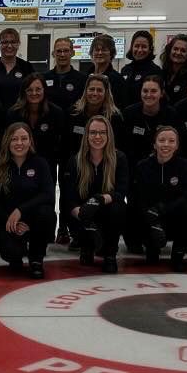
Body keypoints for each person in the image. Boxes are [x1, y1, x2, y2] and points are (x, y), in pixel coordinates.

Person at [60, 116, 129, 272]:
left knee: (119, 207)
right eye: (93, 132)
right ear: (87, 135)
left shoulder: (119, 158)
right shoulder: (75, 161)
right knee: (74, 212)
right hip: (83, 215)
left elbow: (121, 192)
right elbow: (69, 198)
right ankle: (87, 246)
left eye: (102, 132)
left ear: (109, 135)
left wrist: (99, 199)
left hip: (106, 212)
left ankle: (110, 255)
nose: (97, 137)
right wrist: (83, 215)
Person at [0, 122, 54, 278]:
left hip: (32, 220)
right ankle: (16, 254)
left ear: (30, 141)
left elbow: (48, 195)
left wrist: (21, 211)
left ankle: (36, 259)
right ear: (7, 141)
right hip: (7, 222)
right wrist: (10, 221)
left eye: (24, 138)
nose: (19, 143)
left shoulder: (40, 163)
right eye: (14, 139)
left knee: (47, 213)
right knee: (13, 254)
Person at [131, 125, 187, 271]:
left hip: (172, 215)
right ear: (154, 144)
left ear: (177, 145)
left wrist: (163, 209)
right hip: (149, 217)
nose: (166, 144)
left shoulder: (184, 166)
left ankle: (178, 256)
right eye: (162, 140)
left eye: (171, 141)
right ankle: (151, 248)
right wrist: (152, 216)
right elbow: (137, 196)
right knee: (133, 210)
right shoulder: (142, 166)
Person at [9, 72, 65, 170]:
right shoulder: (13, 113)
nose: (34, 93)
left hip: (47, 166)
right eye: (29, 90)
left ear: (44, 90)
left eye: (38, 89)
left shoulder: (56, 113)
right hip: (18, 166)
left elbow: (61, 143)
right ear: (24, 92)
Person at [65, 74, 122, 159]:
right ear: (85, 91)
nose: (95, 93)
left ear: (106, 93)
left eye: (99, 90)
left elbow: (116, 148)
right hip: (76, 164)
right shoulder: (73, 113)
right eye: (91, 89)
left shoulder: (114, 117)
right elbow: (66, 145)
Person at [121, 74, 170, 168]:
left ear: (162, 93)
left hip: (163, 164)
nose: (148, 95)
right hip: (133, 165)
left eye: (154, 91)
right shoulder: (129, 113)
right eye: (145, 91)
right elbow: (124, 145)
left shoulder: (170, 114)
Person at [0, 27, 31, 109]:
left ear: (18, 44)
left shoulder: (26, 67)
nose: (9, 46)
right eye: (5, 42)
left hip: (19, 115)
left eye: (13, 42)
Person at [42, 36, 86, 112]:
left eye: (66, 51)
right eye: (59, 51)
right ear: (53, 54)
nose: (62, 55)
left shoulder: (83, 79)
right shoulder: (43, 78)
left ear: (72, 53)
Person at [120, 29, 164, 105]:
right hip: (125, 114)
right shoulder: (125, 70)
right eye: (136, 46)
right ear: (132, 47)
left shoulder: (155, 71)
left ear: (150, 49)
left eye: (144, 47)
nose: (140, 50)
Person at [85, 34, 128, 108]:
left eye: (104, 50)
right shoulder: (85, 77)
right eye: (97, 50)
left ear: (111, 54)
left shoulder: (118, 80)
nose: (100, 53)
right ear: (92, 53)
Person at [159, 34, 187, 103]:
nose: (178, 53)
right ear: (169, 50)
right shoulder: (162, 73)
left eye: (183, 51)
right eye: (175, 49)